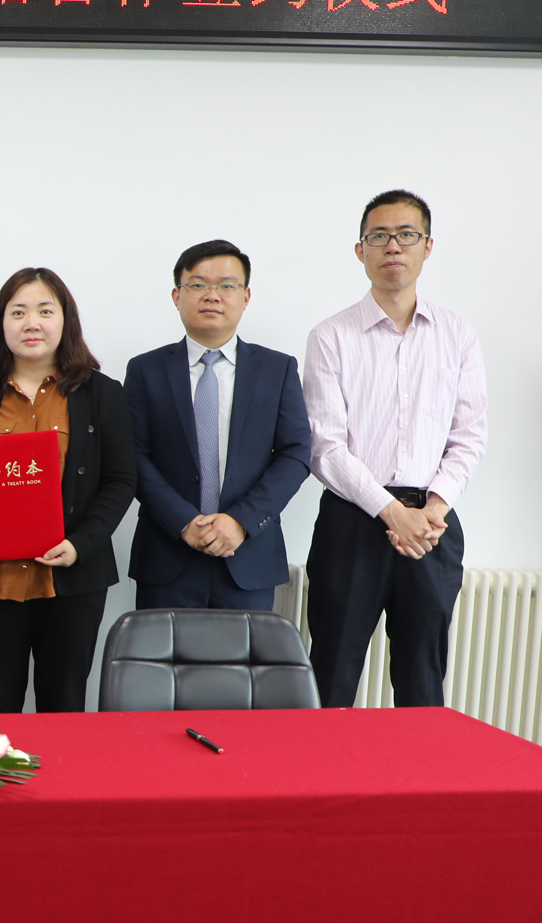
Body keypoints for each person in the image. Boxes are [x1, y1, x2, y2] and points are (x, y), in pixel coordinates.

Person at [304, 191, 486, 708]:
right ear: (359, 250)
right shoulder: (330, 336)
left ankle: (418, 767)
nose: (393, 246)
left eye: (407, 235)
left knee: (422, 680)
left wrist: (431, 510)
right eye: (379, 236)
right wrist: (391, 512)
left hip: (432, 525)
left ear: (427, 247)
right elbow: (325, 446)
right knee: (332, 674)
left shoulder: (457, 335)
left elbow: (469, 434)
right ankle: (322, 766)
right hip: (352, 522)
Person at [0, 268, 136, 713]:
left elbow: (120, 480)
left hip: (73, 577)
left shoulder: (102, 394)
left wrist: (81, 544)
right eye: (18, 312)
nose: (31, 323)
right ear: (1, 323)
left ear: (65, 320)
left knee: (64, 707)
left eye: (44, 311)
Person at [123, 241, 311, 611]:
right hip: (167, 555)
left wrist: (241, 521)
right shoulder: (146, 370)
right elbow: (132, 456)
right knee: (161, 652)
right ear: (177, 296)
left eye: (226, 285)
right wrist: (184, 522)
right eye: (197, 285)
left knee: (244, 653)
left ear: (246, 296)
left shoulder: (277, 369)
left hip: (249, 555)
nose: (212, 295)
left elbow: (295, 454)